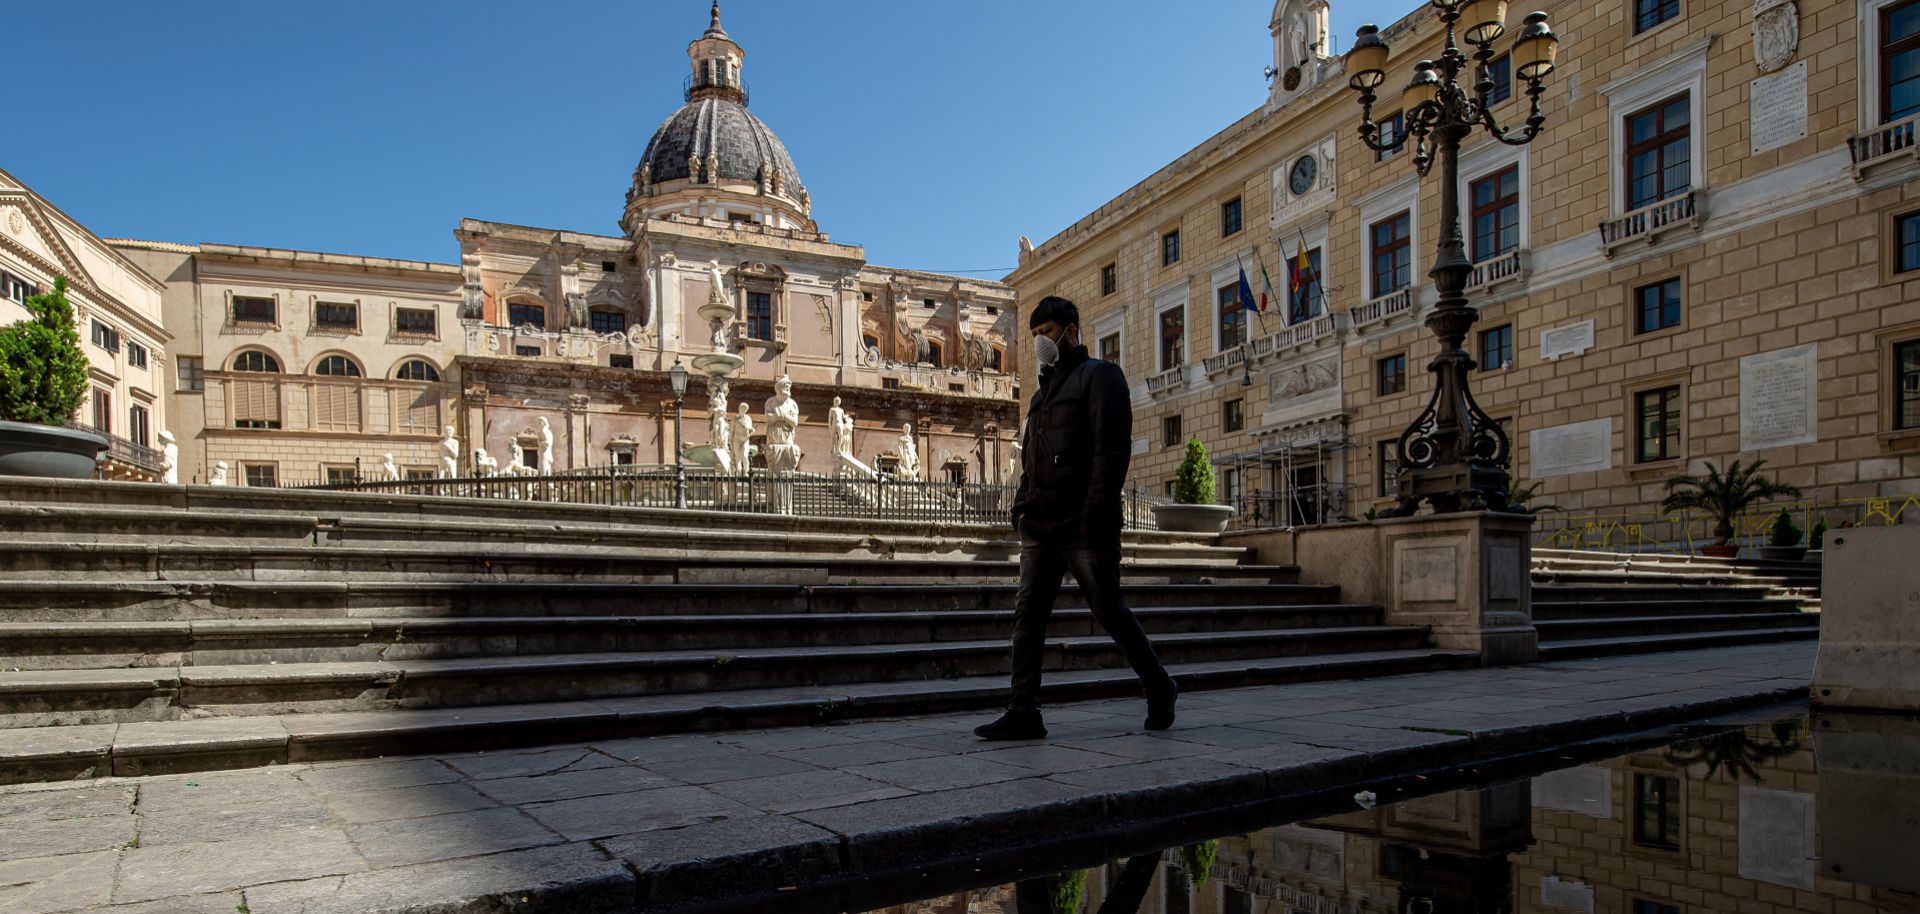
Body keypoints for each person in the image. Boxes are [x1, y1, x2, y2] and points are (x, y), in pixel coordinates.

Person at [975, 296, 1176, 741]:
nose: (1040, 342)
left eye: (1046, 331)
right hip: (1041, 524)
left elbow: (1112, 451)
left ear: (1070, 330)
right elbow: (1032, 456)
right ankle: (1023, 708)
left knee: (1109, 611)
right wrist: (1021, 507)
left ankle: (1159, 684)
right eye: (1034, 336)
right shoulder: (1040, 393)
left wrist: (1094, 515)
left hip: (1085, 524)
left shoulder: (1101, 377)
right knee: (1028, 616)